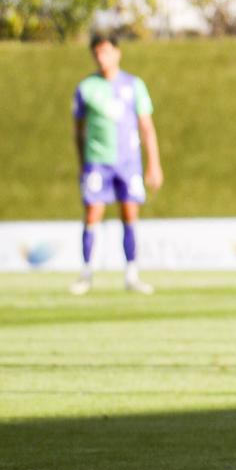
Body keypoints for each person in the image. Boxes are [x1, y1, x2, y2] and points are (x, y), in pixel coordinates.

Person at [70, 33, 163, 296]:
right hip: (97, 162)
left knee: (130, 215)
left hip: (128, 161)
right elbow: (78, 130)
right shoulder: (86, 88)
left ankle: (131, 273)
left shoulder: (134, 85)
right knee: (92, 214)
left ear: (117, 53)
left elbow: (147, 127)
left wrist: (153, 163)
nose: (102, 57)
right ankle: (86, 273)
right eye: (97, 53)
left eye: (106, 52)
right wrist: (82, 163)